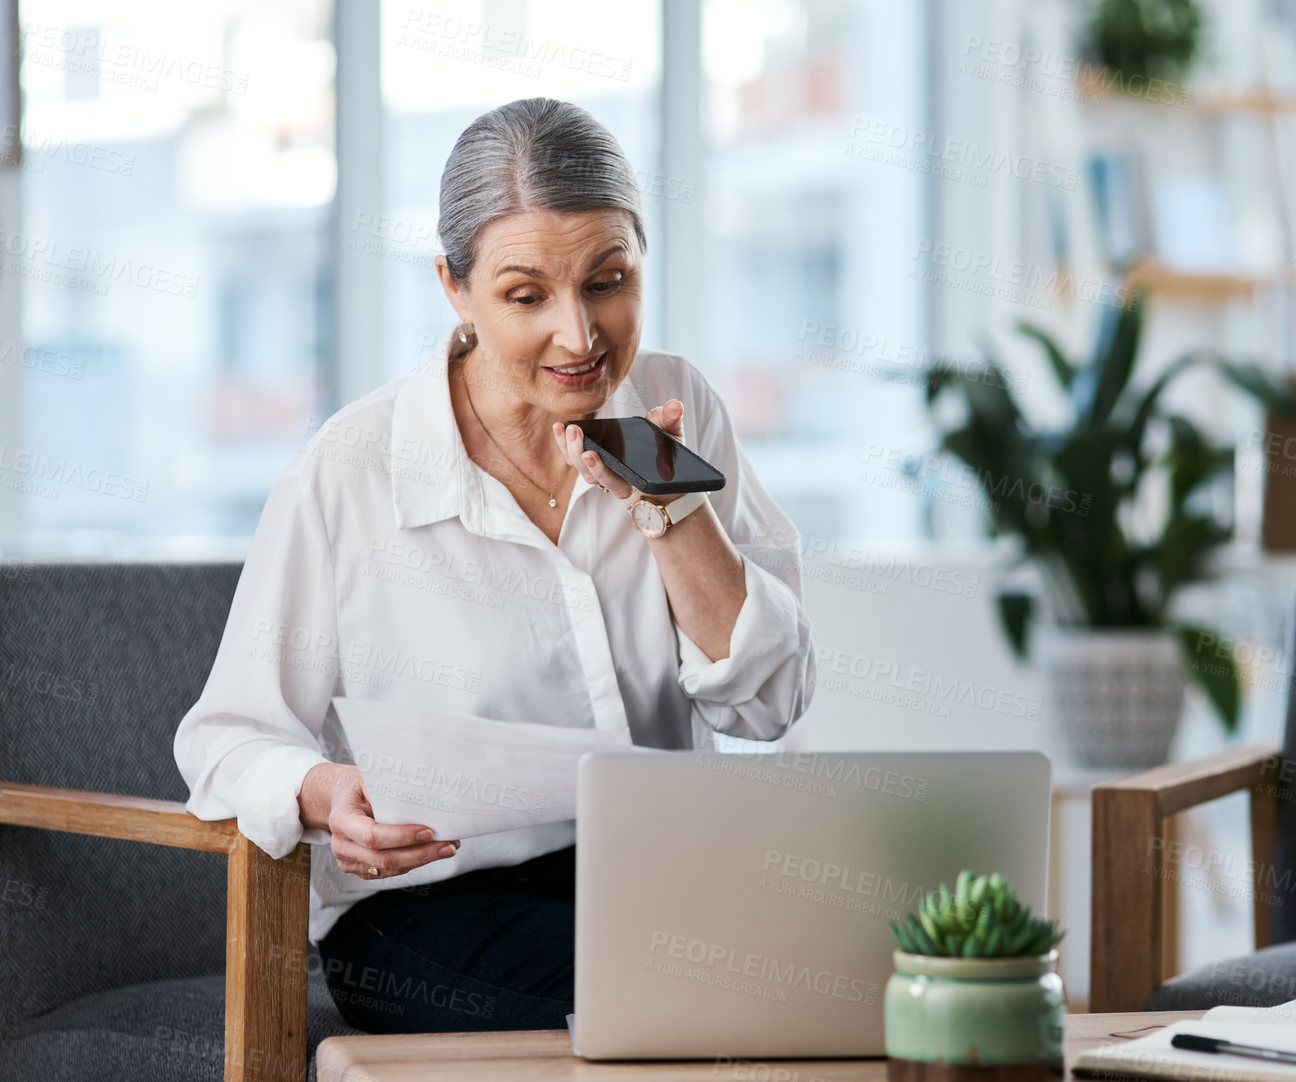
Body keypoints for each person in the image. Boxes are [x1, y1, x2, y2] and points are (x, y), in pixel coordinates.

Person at [174, 97, 816, 1033]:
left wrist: (670, 502)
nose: (580, 335)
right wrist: (321, 794)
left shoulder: (678, 406)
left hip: (651, 870)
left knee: (871, 971)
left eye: (609, 281)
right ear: (455, 287)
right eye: (527, 296)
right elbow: (225, 737)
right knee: (677, 996)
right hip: (427, 911)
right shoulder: (351, 468)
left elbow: (768, 702)